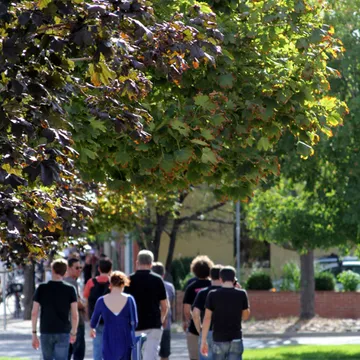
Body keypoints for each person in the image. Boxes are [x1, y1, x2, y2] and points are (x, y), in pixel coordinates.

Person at [125, 250, 169, 360]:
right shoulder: (157, 280)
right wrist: (161, 319)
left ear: (137, 262)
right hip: (153, 324)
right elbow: (164, 305)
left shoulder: (129, 280)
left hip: (134, 325)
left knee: (135, 356)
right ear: (151, 263)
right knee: (150, 356)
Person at [31, 259, 79, 360]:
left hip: (46, 330)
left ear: (52, 270)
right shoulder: (70, 289)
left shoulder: (42, 288)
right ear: (65, 272)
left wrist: (34, 333)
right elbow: (74, 314)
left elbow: (34, 313)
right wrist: (74, 332)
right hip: (63, 330)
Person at [200, 266, 250, 360]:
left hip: (219, 339)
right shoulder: (242, 294)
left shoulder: (212, 294)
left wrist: (203, 341)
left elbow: (207, 318)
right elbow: (245, 316)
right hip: (236, 338)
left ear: (220, 279)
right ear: (234, 279)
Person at [90, 271, 137, 360]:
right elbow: (135, 322)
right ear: (123, 284)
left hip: (108, 337)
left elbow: (94, 321)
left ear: (110, 284)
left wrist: (92, 329)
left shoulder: (101, 300)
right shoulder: (130, 300)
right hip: (125, 337)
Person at [183, 255, 214, 360]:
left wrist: (190, 322)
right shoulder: (213, 287)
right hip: (212, 328)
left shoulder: (191, 287)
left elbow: (187, 310)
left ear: (194, 270)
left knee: (194, 357)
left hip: (194, 330)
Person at [83, 258, 113, 360]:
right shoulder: (113, 283)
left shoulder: (90, 283)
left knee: (97, 349)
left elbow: (86, 302)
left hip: (95, 320)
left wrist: (88, 318)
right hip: (111, 320)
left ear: (99, 269)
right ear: (111, 269)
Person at [192, 265, 223, 360]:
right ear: (222, 276)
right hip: (224, 332)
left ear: (210, 276)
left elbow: (195, 313)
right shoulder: (228, 292)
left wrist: (199, 329)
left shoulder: (203, 292)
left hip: (207, 331)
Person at [152, 262, 175, 360]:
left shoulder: (149, 285)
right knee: (165, 354)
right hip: (166, 324)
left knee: (149, 352)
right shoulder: (169, 287)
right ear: (163, 274)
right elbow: (171, 303)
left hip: (151, 324)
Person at [64, 258, 86, 360]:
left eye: (80, 268)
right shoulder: (72, 282)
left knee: (67, 353)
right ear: (69, 268)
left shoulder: (67, 282)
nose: (79, 270)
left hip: (67, 323)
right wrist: (84, 305)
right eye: (76, 268)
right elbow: (76, 303)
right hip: (76, 323)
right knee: (78, 353)